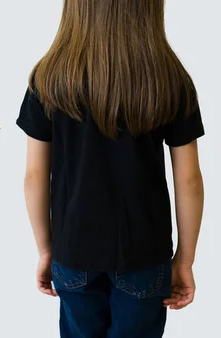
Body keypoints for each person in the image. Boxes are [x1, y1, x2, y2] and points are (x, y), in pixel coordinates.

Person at [17, 0, 205, 337]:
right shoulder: (169, 78)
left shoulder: (48, 78)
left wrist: (46, 249)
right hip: (145, 254)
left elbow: (34, 176)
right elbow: (188, 180)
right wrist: (185, 260)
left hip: (73, 251)